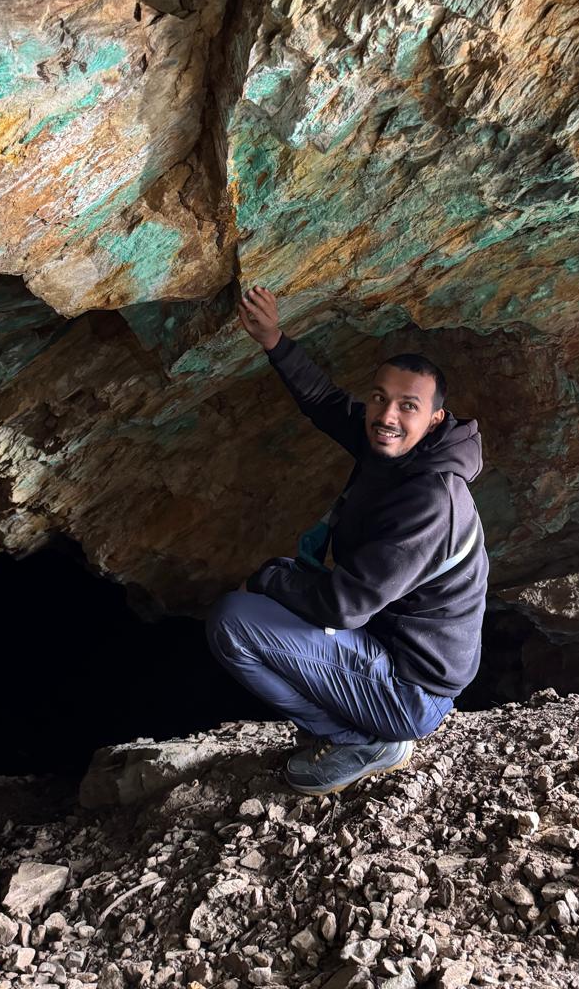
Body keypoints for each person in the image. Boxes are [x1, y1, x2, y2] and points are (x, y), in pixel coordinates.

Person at [205, 286, 489, 795]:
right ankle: (356, 726)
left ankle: (360, 740)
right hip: (390, 642)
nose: (387, 417)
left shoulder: (431, 500)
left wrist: (268, 577)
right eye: (380, 398)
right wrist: (274, 340)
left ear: (434, 419)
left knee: (233, 622)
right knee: (266, 598)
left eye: (408, 406)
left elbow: (343, 606)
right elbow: (326, 403)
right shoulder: (396, 447)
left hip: (411, 689)